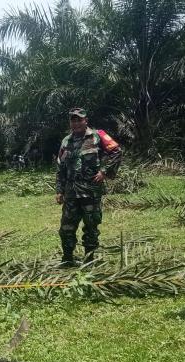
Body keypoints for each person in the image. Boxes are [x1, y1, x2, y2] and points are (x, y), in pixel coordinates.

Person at [55, 107, 122, 265]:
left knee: (91, 227)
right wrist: (59, 190)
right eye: (73, 120)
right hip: (71, 193)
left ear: (86, 120)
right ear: (70, 122)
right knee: (66, 228)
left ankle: (89, 259)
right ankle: (67, 259)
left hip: (91, 191)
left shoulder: (98, 136)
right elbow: (60, 167)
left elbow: (117, 152)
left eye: (79, 119)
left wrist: (104, 171)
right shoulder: (66, 141)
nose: (76, 123)